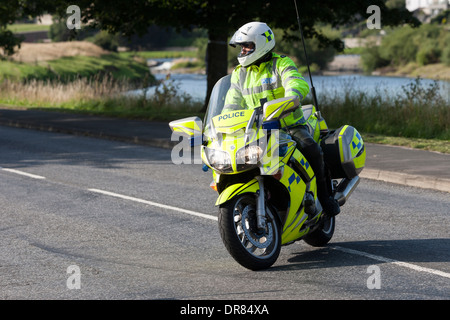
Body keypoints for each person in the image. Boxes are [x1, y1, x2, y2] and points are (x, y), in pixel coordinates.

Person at [224, 21, 340, 217]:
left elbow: (295, 82)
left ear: (261, 44)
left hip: (288, 126)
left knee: (310, 147)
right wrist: (222, 124)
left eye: (247, 46)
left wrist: (292, 96)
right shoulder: (239, 74)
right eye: (241, 47)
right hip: (256, 131)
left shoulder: (281, 63)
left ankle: (324, 196)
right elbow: (231, 104)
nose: (243, 51)